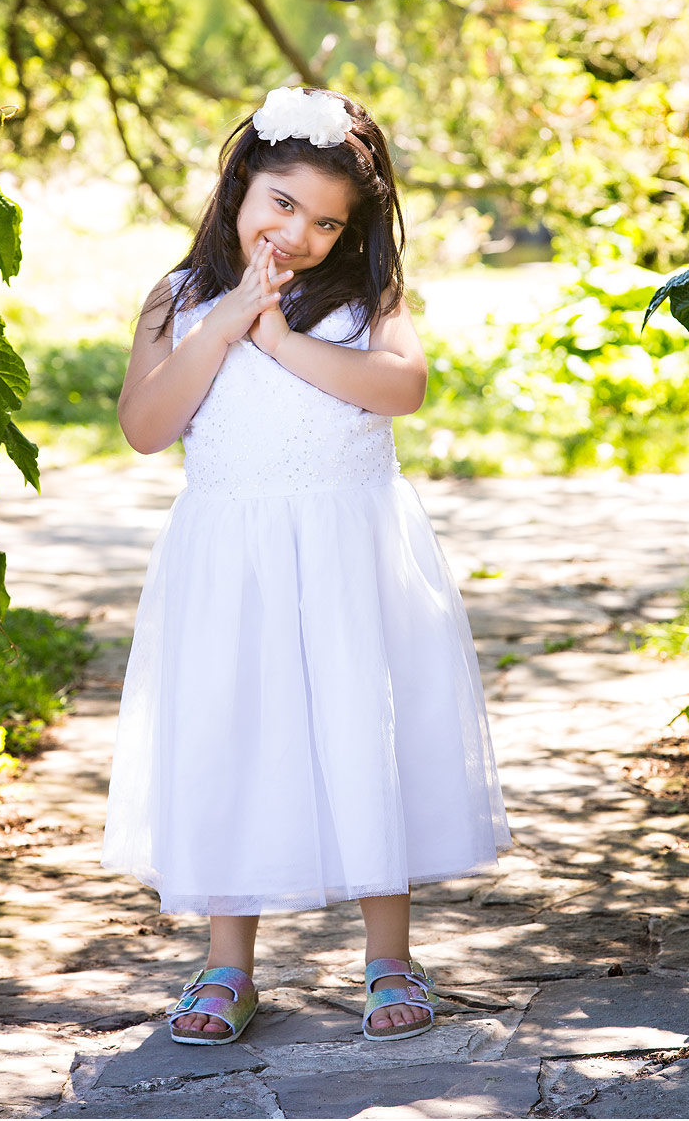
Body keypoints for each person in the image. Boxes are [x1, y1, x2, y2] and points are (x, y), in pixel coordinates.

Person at [101, 86, 514, 1047]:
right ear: (240, 185)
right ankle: (227, 963)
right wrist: (230, 318)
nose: (299, 232)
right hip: (232, 557)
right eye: (282, 203)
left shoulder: (362, 299)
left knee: (362, 725)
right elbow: (145, 427)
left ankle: (387, 956)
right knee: (234, 729)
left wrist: (280, 336)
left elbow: (401, 387)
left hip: (347, 551)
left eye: (327, 222)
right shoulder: (178, 299)